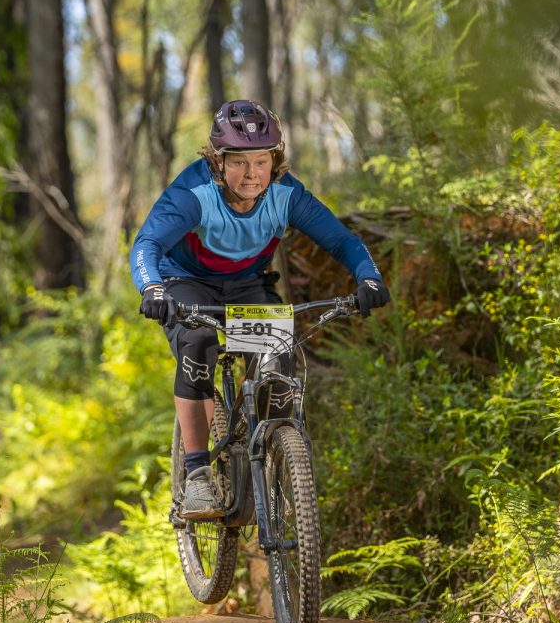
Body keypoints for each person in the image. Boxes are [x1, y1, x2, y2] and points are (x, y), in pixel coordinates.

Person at [131, 100, 390, 519]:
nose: (251, 175)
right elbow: (147, 245)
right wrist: (153, 288)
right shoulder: (194, 193)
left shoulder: (287, 196)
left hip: (246, 283)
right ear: (218, 162)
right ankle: (197, 475)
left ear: (275, 160)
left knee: (279, 355)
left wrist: (369, 278)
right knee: (197, 345)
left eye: (261, 161)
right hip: (183, 279)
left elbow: (343, 242)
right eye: (238, 163)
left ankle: (270, 460)